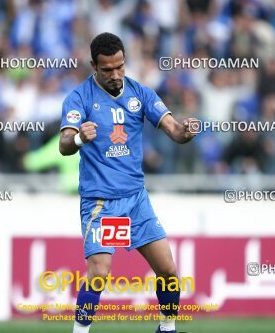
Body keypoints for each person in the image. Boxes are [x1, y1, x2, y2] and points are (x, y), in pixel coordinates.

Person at [59, 33, 199, 333]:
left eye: (120, 67)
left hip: (136, 200)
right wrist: (81, 136)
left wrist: (186, 131)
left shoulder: (141, 94)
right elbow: (64, 143)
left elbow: (174, 130)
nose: (115, 75)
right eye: (107, 69)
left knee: (168, 270)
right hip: (102, 201)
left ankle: (167, 329)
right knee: (99, 273)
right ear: (93, 65)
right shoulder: (79, 98)